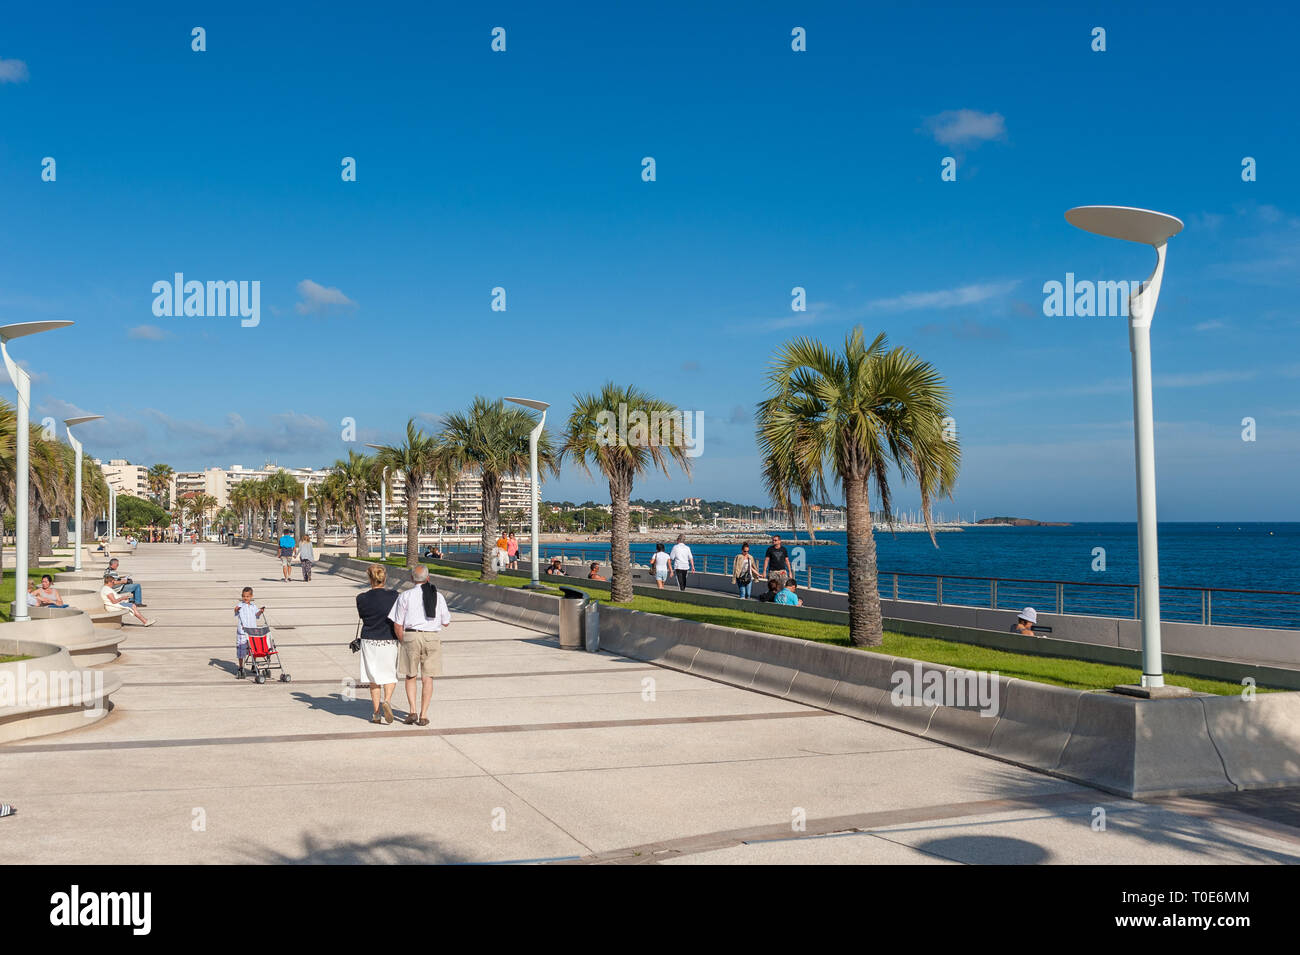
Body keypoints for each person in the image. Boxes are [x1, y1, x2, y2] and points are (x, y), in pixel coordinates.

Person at [388, 564, 450, 726]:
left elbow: (397, 623)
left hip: (411, 636)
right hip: (431, 637)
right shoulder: (438, 596)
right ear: (428, 578)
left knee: (410, 675)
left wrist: (403, 641)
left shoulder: (405, 596)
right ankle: (423, 715)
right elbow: (446, 622)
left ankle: (412, 711)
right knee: (427, 678)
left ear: (412, 579)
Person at [356, 563, 400, 723]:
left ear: (369, 578)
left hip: (369, 640)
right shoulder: (395, 596)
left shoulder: (361, 598)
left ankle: (376, 713)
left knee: (373, 678)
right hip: (389, 639)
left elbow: (362, 616)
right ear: (384, 577)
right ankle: (387, 701)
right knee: (389, 675)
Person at [234, 586, 268, 678]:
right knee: (241, 650)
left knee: (254, 649)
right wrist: (236, 609)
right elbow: (236, 610)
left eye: (248, 596)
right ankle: (241, 667)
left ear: (251, 596)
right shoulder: (240, 605)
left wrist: (260, 611)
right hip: (242, 631)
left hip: (252, 632)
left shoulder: (253, 606)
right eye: (244, 596)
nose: (246, 598)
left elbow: (257, 614)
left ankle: (254, 664)